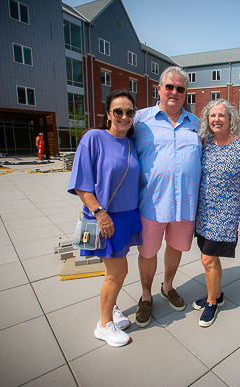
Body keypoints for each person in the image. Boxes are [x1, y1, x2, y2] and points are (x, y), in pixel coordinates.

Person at [68, 89, 142, 347]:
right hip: (106, 217)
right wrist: (100, 213)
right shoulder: (94, 138)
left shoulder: (131, 142)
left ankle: (112, 309)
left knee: (114, 271)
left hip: (128, 216)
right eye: (118, 111)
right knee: (118, 271)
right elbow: (81, 183)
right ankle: (104, 325)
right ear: (108, 114)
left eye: (129, 112)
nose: (124, 116)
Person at [132, 66, 201, 327]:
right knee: (148, 252)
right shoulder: (140, 120)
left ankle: (168, 286)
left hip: (184, 205)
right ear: (159, 89)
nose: (174, 92)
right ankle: (146, 295)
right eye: (169, 87)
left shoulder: (196, 124)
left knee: (175, 248)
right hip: (151, 204)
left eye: (180, 88)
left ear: (186, 93)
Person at [191, 99, 240, 327]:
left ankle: (212, 302)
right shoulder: (205, 142)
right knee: (209, 258)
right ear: (207, 120)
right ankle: (216, 294)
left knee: (208, 259)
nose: (216, 119)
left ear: (231, 119)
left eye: (221, 115)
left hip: (225, 215)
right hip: (204, 214)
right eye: (212, 116)